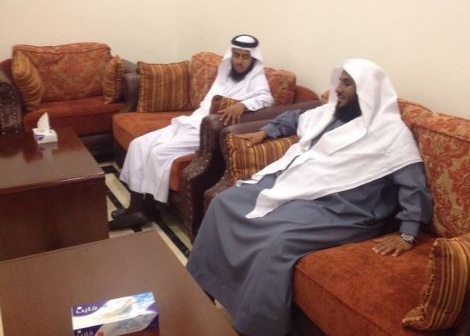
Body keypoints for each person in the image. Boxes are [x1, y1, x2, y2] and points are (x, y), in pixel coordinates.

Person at [186, 58, 433, 336]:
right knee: (224, 203)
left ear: (367, 91)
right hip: (302, 187)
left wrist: (407, 233)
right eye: (339, 81)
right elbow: (297, 117)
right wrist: (267, 131)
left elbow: (413, 186)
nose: (338, 89)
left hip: (344, 211)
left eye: (347, 84)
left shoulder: (392, 134)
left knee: (277, 242)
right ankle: (200, 288)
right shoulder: (331, 114)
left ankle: (255, 326)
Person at [109, 34, 274, 230]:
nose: (239, 61)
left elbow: (266, 98)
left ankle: (147, 207)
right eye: (236, 55)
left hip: (207, 132)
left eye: (245, 57)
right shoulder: (226, 71)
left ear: (253, 58)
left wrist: (243, 106)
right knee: (139, 144)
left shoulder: (257, 80)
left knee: (158, 152)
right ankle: (137, 207)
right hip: (192, 122)